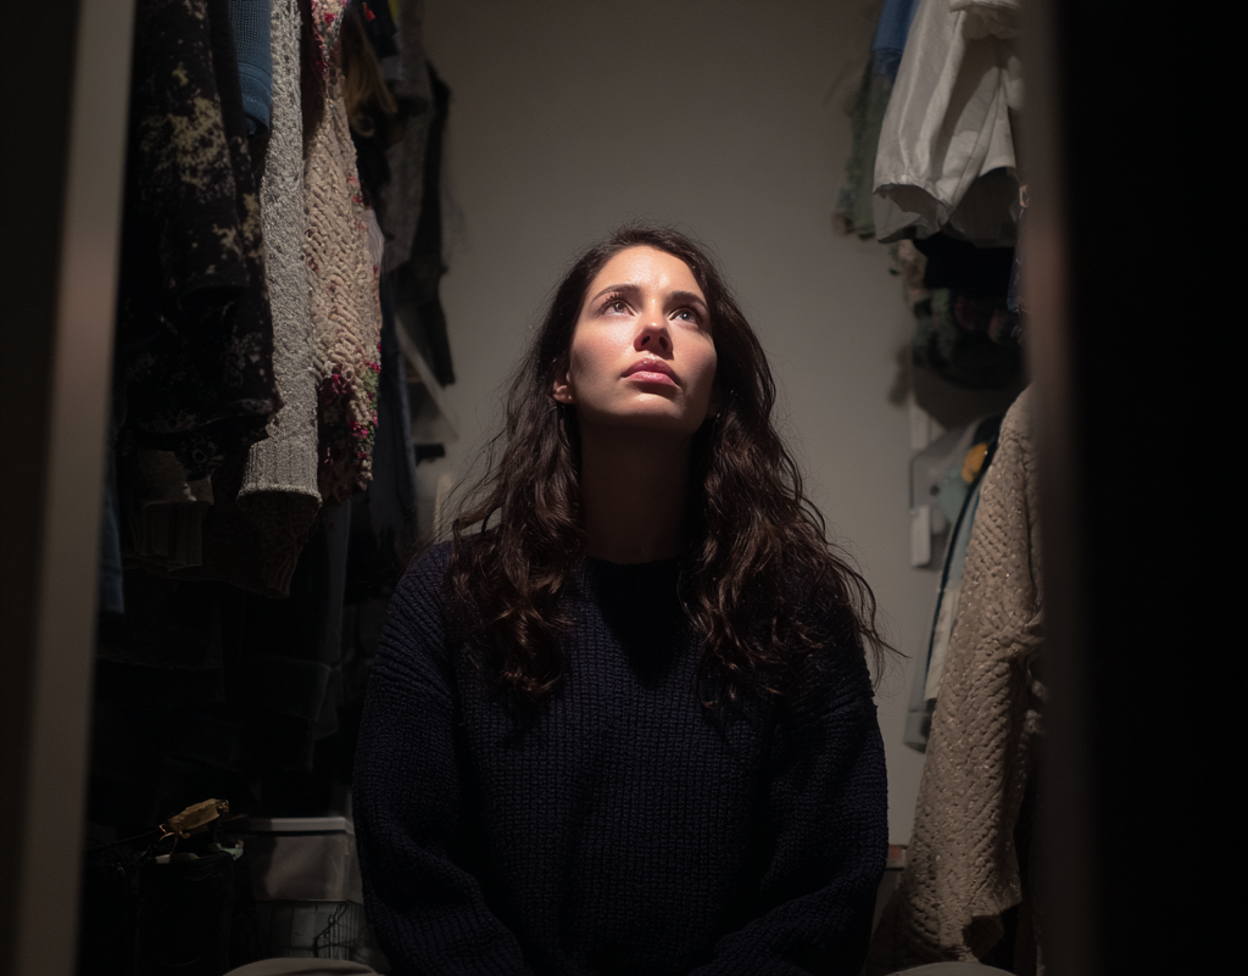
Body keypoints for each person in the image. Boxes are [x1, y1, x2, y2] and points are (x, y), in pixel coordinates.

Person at [352, 225, 891, 976]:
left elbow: (823, 889)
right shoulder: (450, 599)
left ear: (716, 389)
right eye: (616, 305)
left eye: (686, 315)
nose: (652, 329)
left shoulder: (794, 608)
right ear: (560, 377)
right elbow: (412, 871)